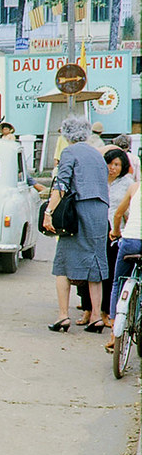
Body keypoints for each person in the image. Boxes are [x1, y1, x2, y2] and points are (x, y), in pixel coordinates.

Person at [43, 116, 110, 333]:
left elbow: (61, 185)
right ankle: (97, 317)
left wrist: (49, 212)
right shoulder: (97, 155)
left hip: (79, 209)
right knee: (96, 262)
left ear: (67, 135)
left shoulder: (69, 152)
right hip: (100, 210)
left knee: (63, 261)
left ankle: (63, 316)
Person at [76, 148, 135, 328]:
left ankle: (104, 312)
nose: (112, 168)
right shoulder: (97, 181)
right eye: (109, 164)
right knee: (87, 271)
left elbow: (128, 211)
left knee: (107, 273)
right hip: (93, 229)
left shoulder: (127, 183)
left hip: (115, 234)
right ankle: (87, 309)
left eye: (117, 164)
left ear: (123, 166)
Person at [108, 181, 142, 349]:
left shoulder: (135, 187)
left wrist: (115, 232)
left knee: (118, 282)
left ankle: (114, 333)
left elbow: (117, 214)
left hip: (130, 240)